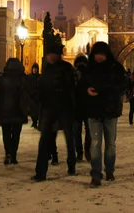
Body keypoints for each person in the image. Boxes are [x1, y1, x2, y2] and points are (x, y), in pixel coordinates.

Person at [32, 43, 77, 182]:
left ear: (58, 55)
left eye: (52, 54)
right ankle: (41, 172)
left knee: (69, 138)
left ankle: (71, 165)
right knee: (45, 139)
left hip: (64, 108)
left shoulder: (67, 68)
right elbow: (41, 87)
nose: (50, 56)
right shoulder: (47, 69)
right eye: (48, 54)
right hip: (49, 108)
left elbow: (71, 89)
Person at [85, 41, 126, 188]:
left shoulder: (115, 68)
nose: (99, 57)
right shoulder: (88, 68)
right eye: (97, 54)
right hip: (94, 111)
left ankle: (109, 170)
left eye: (102, 54)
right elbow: (81, 85)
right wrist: (86, 91)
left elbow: (122, 85)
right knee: (95, 144)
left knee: (110, 144)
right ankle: (96, 174)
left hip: (110, 111)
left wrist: (103, 90)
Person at [0, 58, 28, 165]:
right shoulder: (23, 79)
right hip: (18, 111)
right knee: (16, 134)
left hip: (5, 111)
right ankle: (14, 155)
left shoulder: (1, 79)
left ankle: (8, 153)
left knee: (6, 134)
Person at [73, 53, 92, 163]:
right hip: (83, 107)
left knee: (78, 132)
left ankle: (81, 152)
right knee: (81, 132)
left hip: (80, 107)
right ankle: (84, 152)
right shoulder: (75, 74)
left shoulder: (83, 75)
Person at [27, 63, 41, 129]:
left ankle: (36, 122)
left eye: (36, 69)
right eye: (33, 69)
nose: (34, 70)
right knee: (32, 111)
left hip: (38, 96)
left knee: (37, 111)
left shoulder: (40, 77)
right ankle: (34, 122)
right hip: (31, 96)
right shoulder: (29, 77)